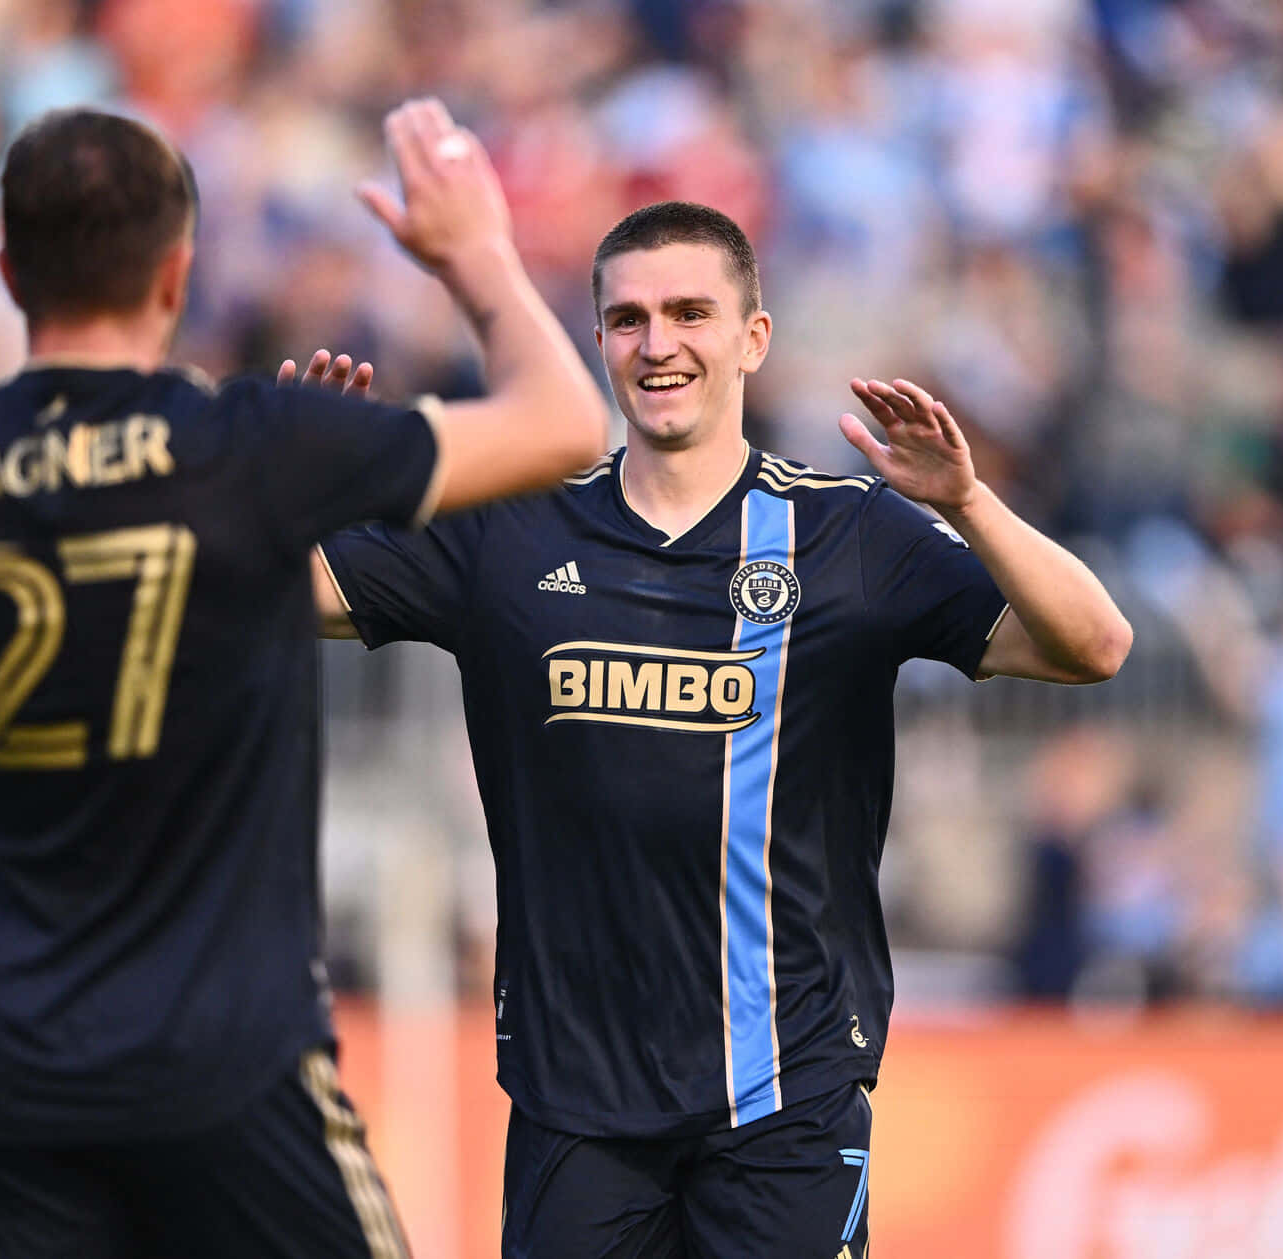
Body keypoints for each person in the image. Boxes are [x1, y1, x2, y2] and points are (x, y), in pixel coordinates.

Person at [0, 101, 607, 1258]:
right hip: (232, 1077)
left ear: (12, 271)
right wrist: (473, 254)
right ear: (177, 275)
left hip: (12, 1094)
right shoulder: (255, 443)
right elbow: (567, 422)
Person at [312, 201, 1132, 1257]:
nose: (659, 344)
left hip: (784, 1089)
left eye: (691, 312)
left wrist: (968, 501)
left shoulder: (846, 533)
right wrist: (286, 481)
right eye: (628, 319)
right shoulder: (511, 527)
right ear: (599, 340)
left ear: (753, 338)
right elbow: (276, 592)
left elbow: (1093, 642)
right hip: (578, 1097)